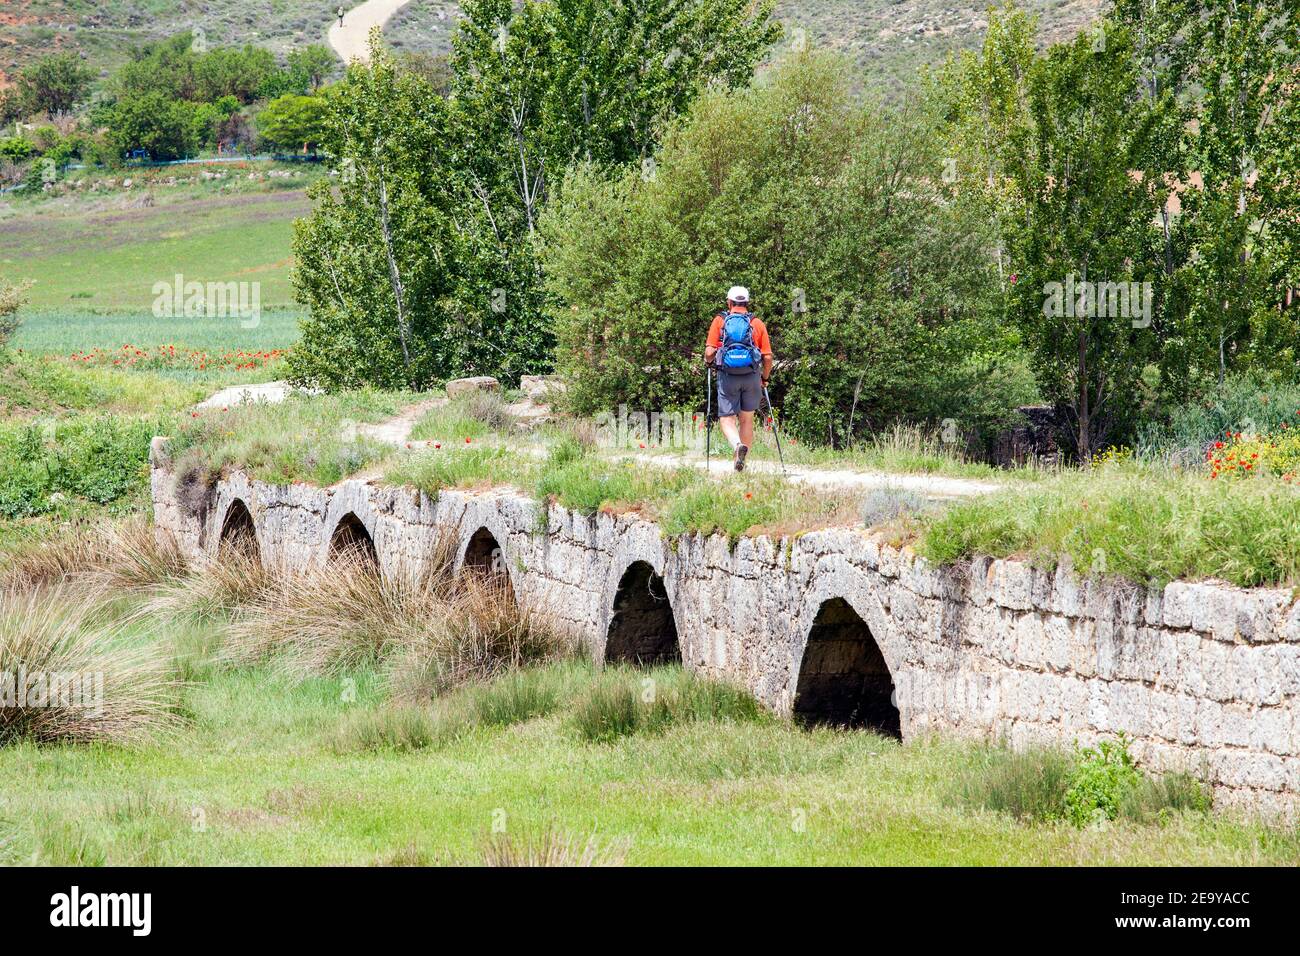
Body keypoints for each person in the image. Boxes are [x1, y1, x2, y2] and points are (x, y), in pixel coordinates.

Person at [703, 285, 773, 472]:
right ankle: (741, 461)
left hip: (728, 378)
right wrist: (765, 378)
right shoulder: (756, 323)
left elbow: (709, 352)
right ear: (747, 303)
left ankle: (736, 446)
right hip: (751, 376)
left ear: (729, 302)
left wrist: (709, 360)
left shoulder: (720, 321)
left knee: (727, 419)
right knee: (747, 420)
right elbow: (767, 357)